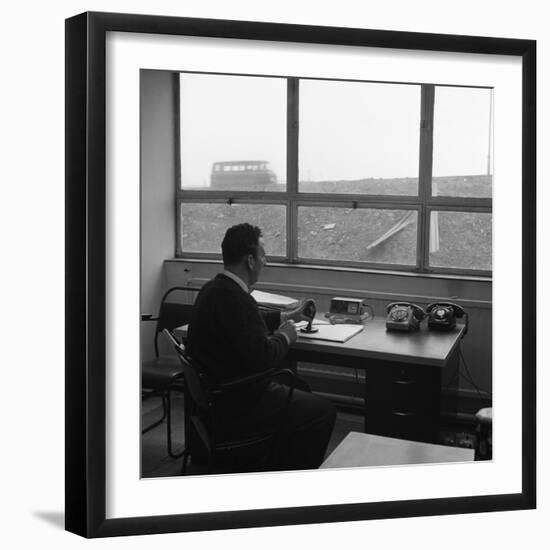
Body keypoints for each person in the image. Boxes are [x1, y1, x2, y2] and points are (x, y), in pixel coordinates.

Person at [186, 223, 336, 471]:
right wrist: (285, 337)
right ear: (250, 261)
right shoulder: (236, 299)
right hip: (240, 401)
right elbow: (264, 357)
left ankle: (272, 461)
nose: (265, 261)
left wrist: (285, 317)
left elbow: (242, 327)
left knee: (300, 388)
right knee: (324, 411)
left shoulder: (215, 289)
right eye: (263, 255)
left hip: (217, 395)